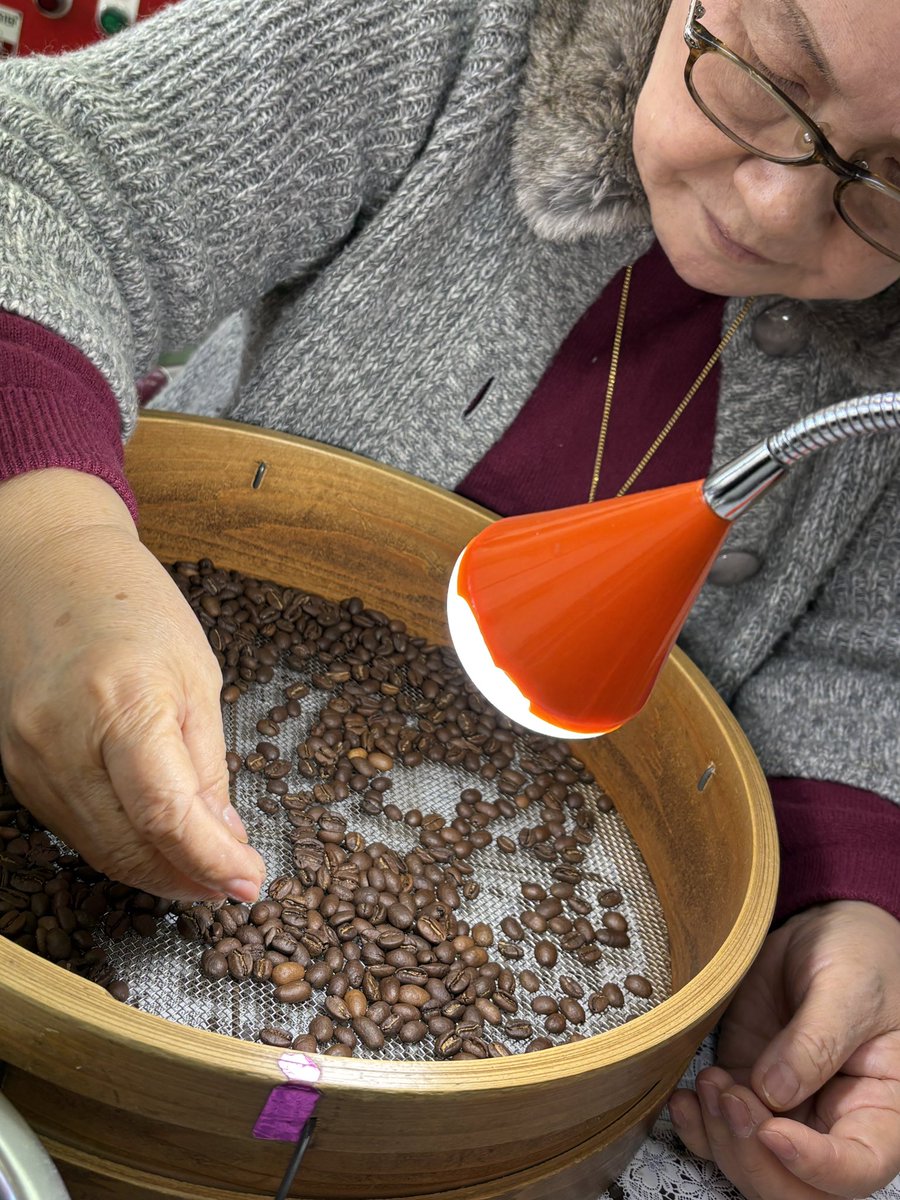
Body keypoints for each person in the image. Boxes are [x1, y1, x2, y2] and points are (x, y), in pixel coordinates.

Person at [0, 1, 897, 1198]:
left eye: (892, 178)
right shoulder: (445, 33)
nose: (779, 202)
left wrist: (845, 894)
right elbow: (51, 174)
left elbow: (864, 651)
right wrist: (47, 540)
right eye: (769, 74)